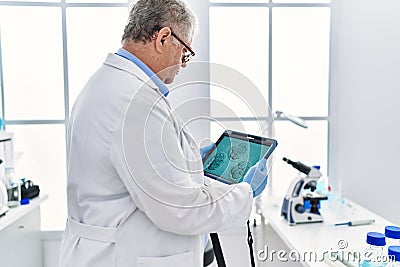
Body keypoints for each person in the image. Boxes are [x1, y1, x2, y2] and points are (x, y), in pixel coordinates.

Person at [59, 0, 269, 266]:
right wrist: (245, 192)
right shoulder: (135, 102)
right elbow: (179, 210)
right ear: (164, 38)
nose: (183, 65)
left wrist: (188, 162)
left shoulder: (107, 84)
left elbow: (133, 172)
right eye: (185, 53)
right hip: (122, 256)